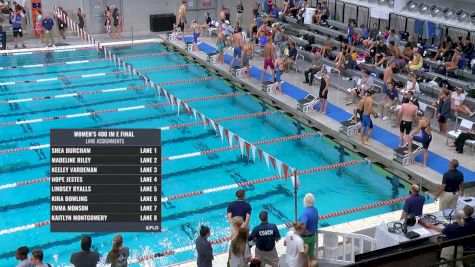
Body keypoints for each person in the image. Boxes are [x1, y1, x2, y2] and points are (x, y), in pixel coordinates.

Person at [298, 193, 318, 261]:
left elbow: (303, 224)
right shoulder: (315, 210)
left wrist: (302, 231)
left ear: (305, 202)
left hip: (305, 239)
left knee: (304, 258)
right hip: (313, 237)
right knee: (311, 256)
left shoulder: (305, 213)